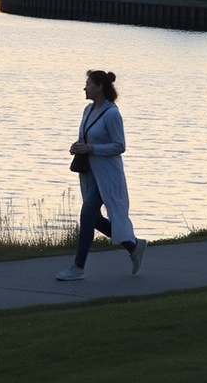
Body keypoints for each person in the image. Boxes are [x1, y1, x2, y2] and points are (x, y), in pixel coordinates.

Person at [57, 70, 147, 281]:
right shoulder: (88, 111)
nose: (85, 87)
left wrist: (92, 149)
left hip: (107, 175)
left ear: (99, 87)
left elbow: (120, 146)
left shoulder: (112, 114)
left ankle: (78, 267)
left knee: (87, 213)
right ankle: (133, 246)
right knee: (95, 218)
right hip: (91, 173)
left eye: (88, 84)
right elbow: (88, 138)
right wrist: (78, 146)